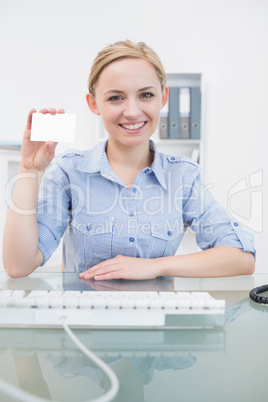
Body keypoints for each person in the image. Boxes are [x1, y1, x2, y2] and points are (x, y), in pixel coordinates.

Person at [3, 40, 255, 279]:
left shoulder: (183, 176)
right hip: (84, 319)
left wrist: (155, 266)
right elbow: (18, 265)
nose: (133, 111)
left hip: (157, 319)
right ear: (94, 104)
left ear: (163, 98)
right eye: (115, 97)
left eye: (146, 95)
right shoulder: (70, 171)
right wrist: (29, 169)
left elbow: (242, 258)